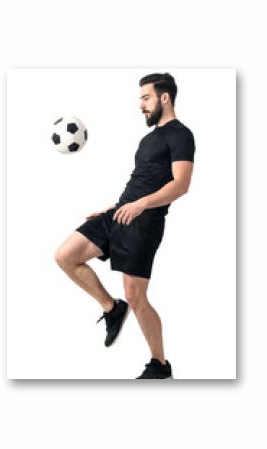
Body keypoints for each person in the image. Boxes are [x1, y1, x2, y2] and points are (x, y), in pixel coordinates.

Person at [55, 72, 195, 379]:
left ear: (164, 97)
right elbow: (141, 181)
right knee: (65, 255)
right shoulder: (148, 139)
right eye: (140, 99)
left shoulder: (181, 135)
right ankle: (111, 308)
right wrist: (115, 206)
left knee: (136, 295)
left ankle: (160, 364)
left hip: (145, 222)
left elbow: (181, 184)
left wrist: (141, 205)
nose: (141, 105)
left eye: (146, 98)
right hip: (121, 212)